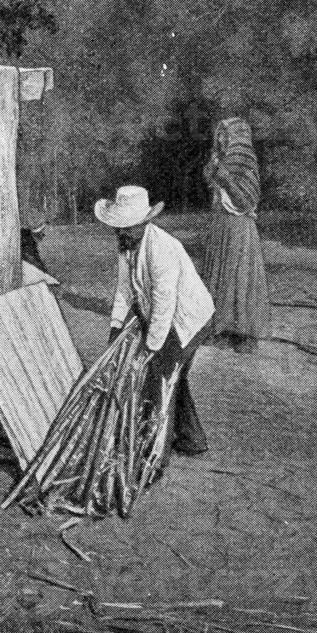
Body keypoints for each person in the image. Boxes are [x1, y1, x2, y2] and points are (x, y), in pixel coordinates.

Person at [96, 185, 215, 457]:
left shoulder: (162, 248)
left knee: (160, 376)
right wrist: (115, 330)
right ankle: (192, 438)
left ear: (144, 223)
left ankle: (154, 453)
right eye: (117, 226)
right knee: (175, 376)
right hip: (166, 316)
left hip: (188, 319)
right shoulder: (127, 246)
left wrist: (151, 348)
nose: (120, 232)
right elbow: (124, 291)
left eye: (126, 226)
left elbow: (164, 305)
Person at [202, 117, 271, 353]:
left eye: (225, 134)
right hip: (221, 225)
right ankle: (219, 329)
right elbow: (211, 185)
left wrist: (226, 178)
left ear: (236, 137)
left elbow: (247, 200)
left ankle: (243, 334)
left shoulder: (246, 161)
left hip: (240, 228)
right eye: (219, 134)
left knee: (239, 278)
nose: (221, 139)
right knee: (219, 278)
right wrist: (213, 171)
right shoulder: (219, 159)